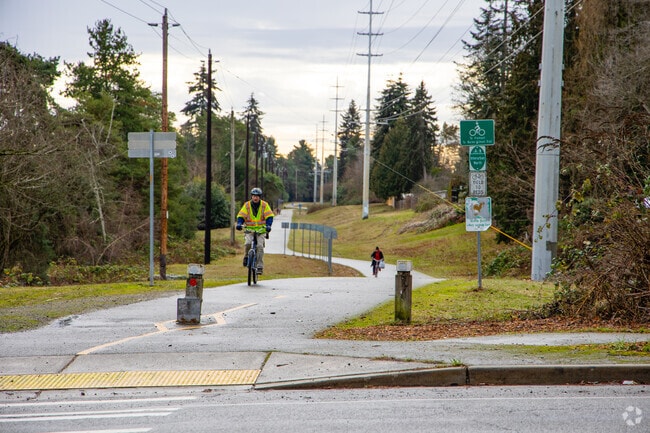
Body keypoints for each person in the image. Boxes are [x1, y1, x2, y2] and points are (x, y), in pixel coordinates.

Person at [236, 188, 274, 274]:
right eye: (253, 196)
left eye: (257, 196)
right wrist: (239, 224)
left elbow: (269, 216)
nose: (255, 198)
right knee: (248, 243)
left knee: (260, 246)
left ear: (259, 197)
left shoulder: (265, 205)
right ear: (251, 197)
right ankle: (246, 257)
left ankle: (260, 266)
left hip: (261, 230)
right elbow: (241, 215)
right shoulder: (247, 205)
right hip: (249, 230)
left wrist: (268, 225)